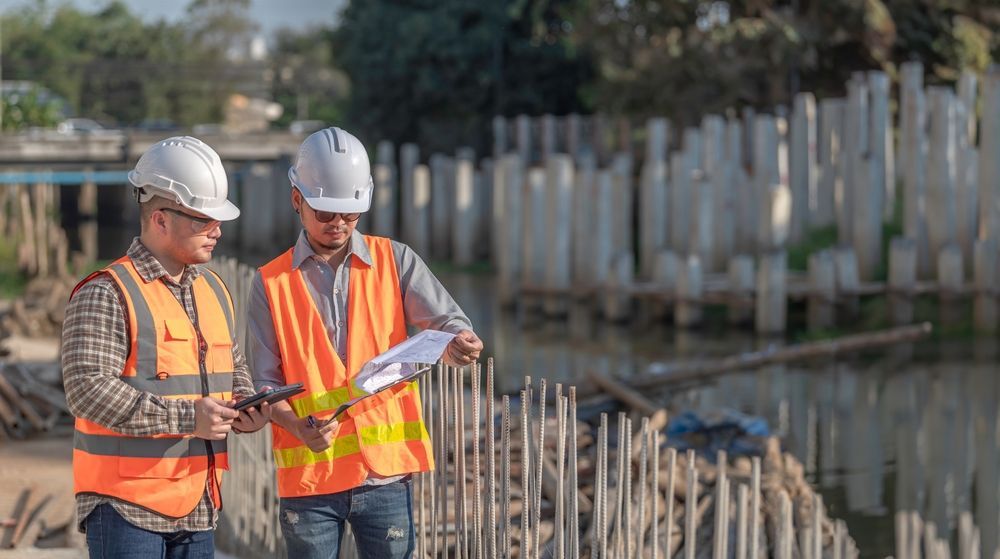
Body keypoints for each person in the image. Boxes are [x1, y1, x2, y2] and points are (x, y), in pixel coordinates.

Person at [248, 126, 483, 558]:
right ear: (297, 199)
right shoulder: (269, 283)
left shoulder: (396, 260)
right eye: (325, 213)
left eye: (350, 214)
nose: (338, 224)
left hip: (385, 476)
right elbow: (264, 384)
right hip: (311, 482)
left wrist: (460, 343)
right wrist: (296, 425)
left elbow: (449, 324)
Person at [61, 136, 271, 558]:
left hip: (199, 502)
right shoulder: (106, 292)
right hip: (125, 506)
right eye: (203, 220)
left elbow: (230, 361)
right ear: (160, 219)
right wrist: (188, 417)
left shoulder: (213, 288)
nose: (217, 230)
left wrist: (246, 402)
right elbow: (86, 389)